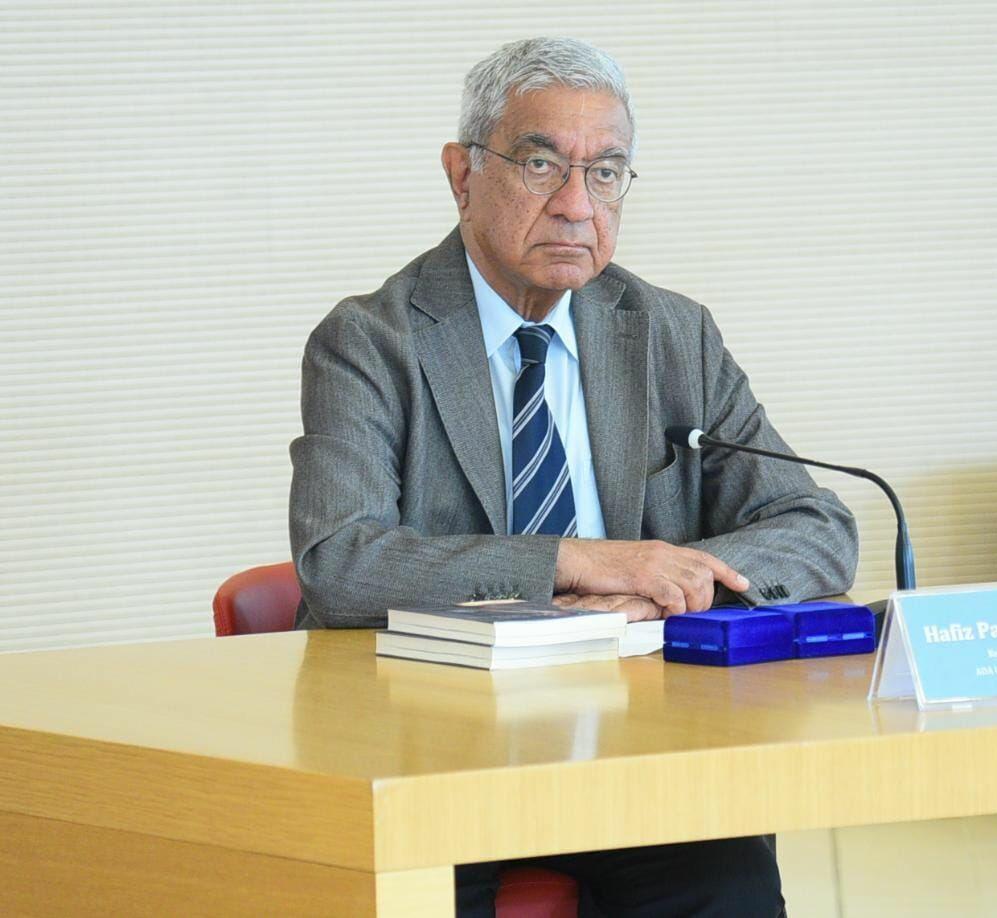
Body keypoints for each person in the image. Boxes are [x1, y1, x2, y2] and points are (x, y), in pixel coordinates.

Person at [289, 36, 857, 918]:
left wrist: (674, 581)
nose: (575, 204)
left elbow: (817, 528)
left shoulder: (671, 334)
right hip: (429, 749)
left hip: (638, 740)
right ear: (462, 175)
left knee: (730, 885)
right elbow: (341, 562)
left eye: (605, 172)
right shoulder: (370, 341)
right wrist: (578, 561)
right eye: (541, 163)